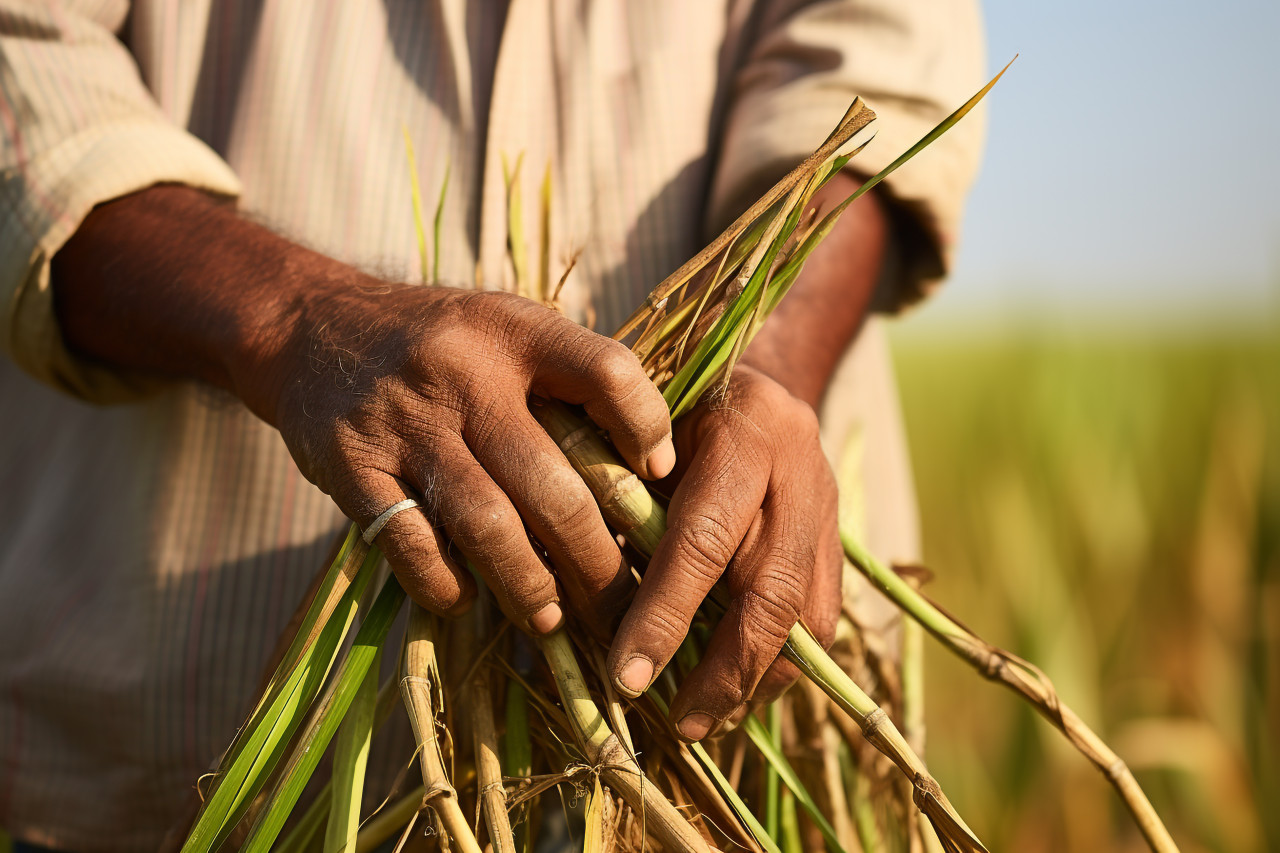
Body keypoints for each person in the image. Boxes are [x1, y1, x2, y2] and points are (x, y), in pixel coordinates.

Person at [0, 1, 984, 849]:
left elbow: (867, 70)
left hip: (722, 758)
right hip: (182, 732)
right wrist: (294, 316)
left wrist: (762, 365)